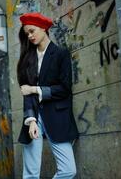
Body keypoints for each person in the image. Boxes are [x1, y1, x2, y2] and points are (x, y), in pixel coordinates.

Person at [17, 12, 79, 179]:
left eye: (32, 31)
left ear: (44, 28)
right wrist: (31, 120)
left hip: (57, 116)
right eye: (27, 33)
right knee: (30, 174)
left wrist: (36, 89)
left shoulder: (61, 54)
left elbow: (65, 89)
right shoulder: (27, 59)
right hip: (33, 117)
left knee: (68, 170)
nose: (29, 36)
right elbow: (25, 93)